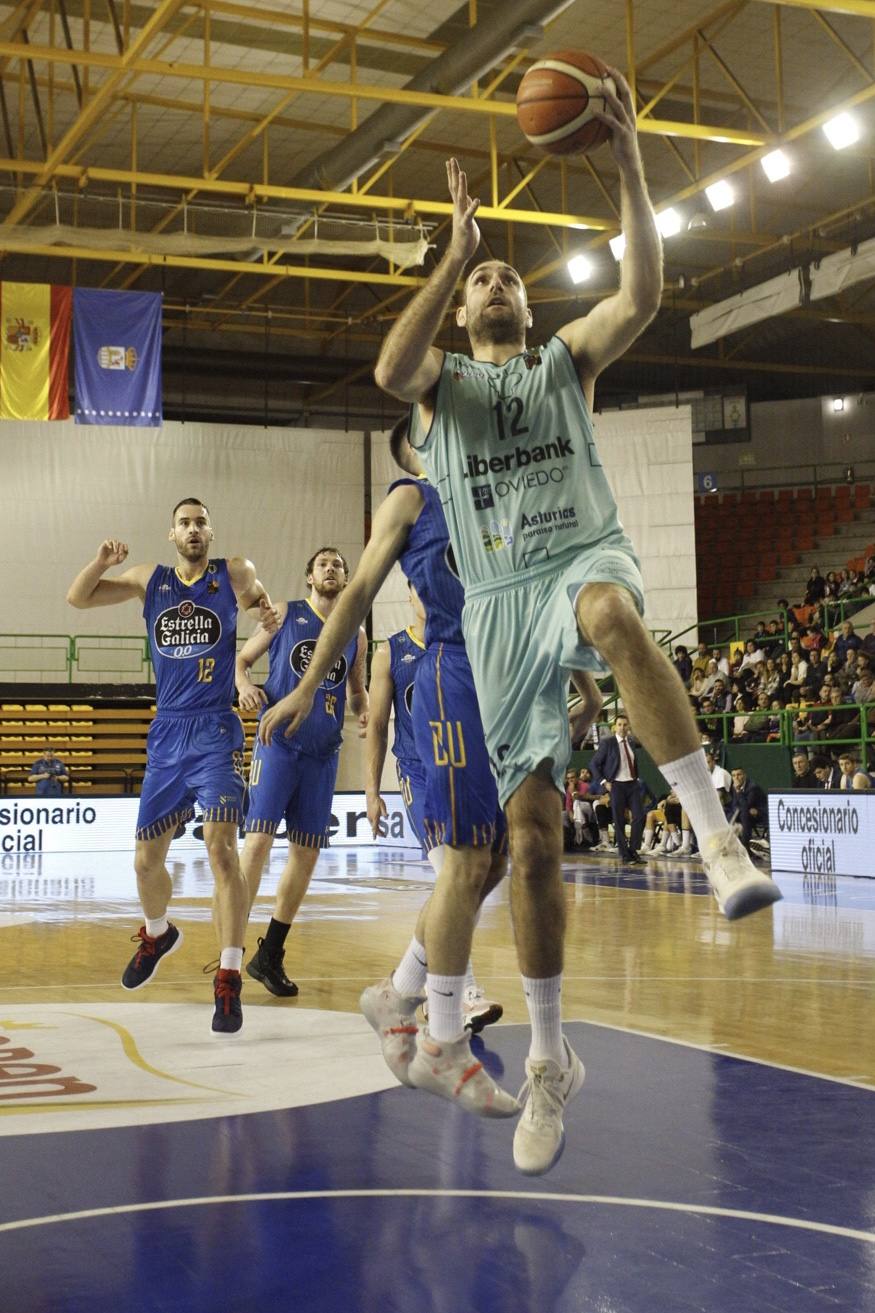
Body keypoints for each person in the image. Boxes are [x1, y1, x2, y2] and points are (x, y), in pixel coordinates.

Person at [369, 103, 780, 1162]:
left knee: (608, 611)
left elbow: (641, 291)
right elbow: (387, 368)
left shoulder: (563, 364)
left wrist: (632, 159)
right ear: (461, 312)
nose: (497, 283)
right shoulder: (439, 395)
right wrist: (449, 253)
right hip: (499, 606)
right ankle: (551, 1057)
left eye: (507, 272)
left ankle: (715, 832)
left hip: (577, 556)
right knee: (531, 844)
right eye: (480, 281)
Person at [259, 420, 603, 1144]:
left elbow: (537, 594)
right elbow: (355, 595)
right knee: (466, 859)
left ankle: (400, 990)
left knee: (503, 858)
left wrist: (584, 682)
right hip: (452, 674)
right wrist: (306, 685)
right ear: (414, 450)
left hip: (508, 674)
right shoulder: (414, 498)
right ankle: (440, 1036)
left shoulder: (501, 497)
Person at [66, 499, 278, 1034]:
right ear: (171, 533)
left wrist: (263, 627)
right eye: (185, 522)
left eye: (202, 521)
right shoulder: (149, 580)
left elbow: (262, 611)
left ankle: (229, 977)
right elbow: (78, 597)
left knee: (221, 849)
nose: (194, 529)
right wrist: (101, 562)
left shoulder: (235, 572)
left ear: (211, 530)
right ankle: (158, 933)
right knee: (144, 861)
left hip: (214, 729)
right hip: (167, 733)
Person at [365, 580, 503, 1033]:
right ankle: (461, 992)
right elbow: (378, 725)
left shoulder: (469, 643)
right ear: (408, 595)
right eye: (420, 590)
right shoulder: (391, 652)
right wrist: (371, 790)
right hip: (420, 773)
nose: (429, 596)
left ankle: (404, 986)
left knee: (473, 879)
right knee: (453, 874)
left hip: (467, 767)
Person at [235, 547, 369, 998]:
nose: (331, 569)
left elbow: (357, 691)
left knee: (306, 855)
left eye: (338, 565)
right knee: (256, 844)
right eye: (323, 564)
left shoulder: (356, 631)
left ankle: (269, 954)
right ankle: (229, 953)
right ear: (309, 576)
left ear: (346, 579)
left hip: (323, 753)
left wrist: (366, 712)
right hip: (278, 745)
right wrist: (244, 687)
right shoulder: (286, 614)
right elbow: (240, 661)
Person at [590, 714, 647, 864]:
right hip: (616, 785)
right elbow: (594, 764)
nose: (622, 727)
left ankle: (633, 850)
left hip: (632, 784)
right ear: (615, 727)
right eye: (620, 724)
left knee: (640, 816)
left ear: (628, 727)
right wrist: (604, 782)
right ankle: (624, 854)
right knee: (619, 819)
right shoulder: (608, 743)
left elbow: (634, 763)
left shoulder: (631, 742)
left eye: (625, 724)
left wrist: (637, 778)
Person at [728, 767, 767, 852]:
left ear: (744, 775)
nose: (736, 778)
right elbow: (735, 804)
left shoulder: (753, 787)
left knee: (744, 814)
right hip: (746, 812)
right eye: (733, 776)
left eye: (739, 775)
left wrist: (738, 791)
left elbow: (746, 805)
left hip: (760, 814)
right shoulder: (734, 786)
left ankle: (745, 848)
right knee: (729, 813)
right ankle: (727, 845)